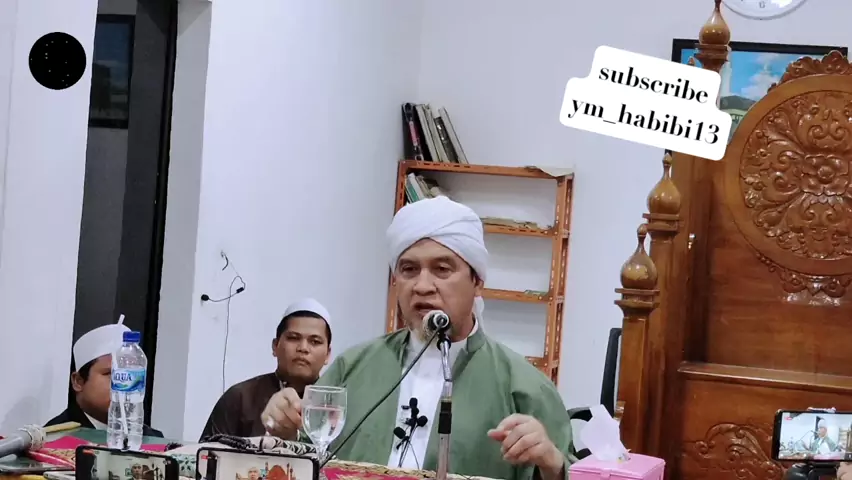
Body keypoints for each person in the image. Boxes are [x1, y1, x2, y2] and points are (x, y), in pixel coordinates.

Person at [261, 197, 576, 480]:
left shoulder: (523, 387)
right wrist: (285, 430)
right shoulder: (352, 368)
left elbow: (569, 470)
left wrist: (552, 464)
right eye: (409, 270)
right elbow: (307, 458)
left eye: (442, 269)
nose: (423, 286)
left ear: (477, 281)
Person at [200, 298, 332, 440]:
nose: (303, 348)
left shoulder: (334, 406)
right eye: (293, 338)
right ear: (275, 346)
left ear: (328, 355)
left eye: (315, 342)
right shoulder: (240, 397)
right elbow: (206, 452)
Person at [46, 320, 163, 437]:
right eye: (110, 374)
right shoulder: (53, 438)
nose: (122, 384)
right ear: (78, 381)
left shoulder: (153, 439)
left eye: (130, 375)